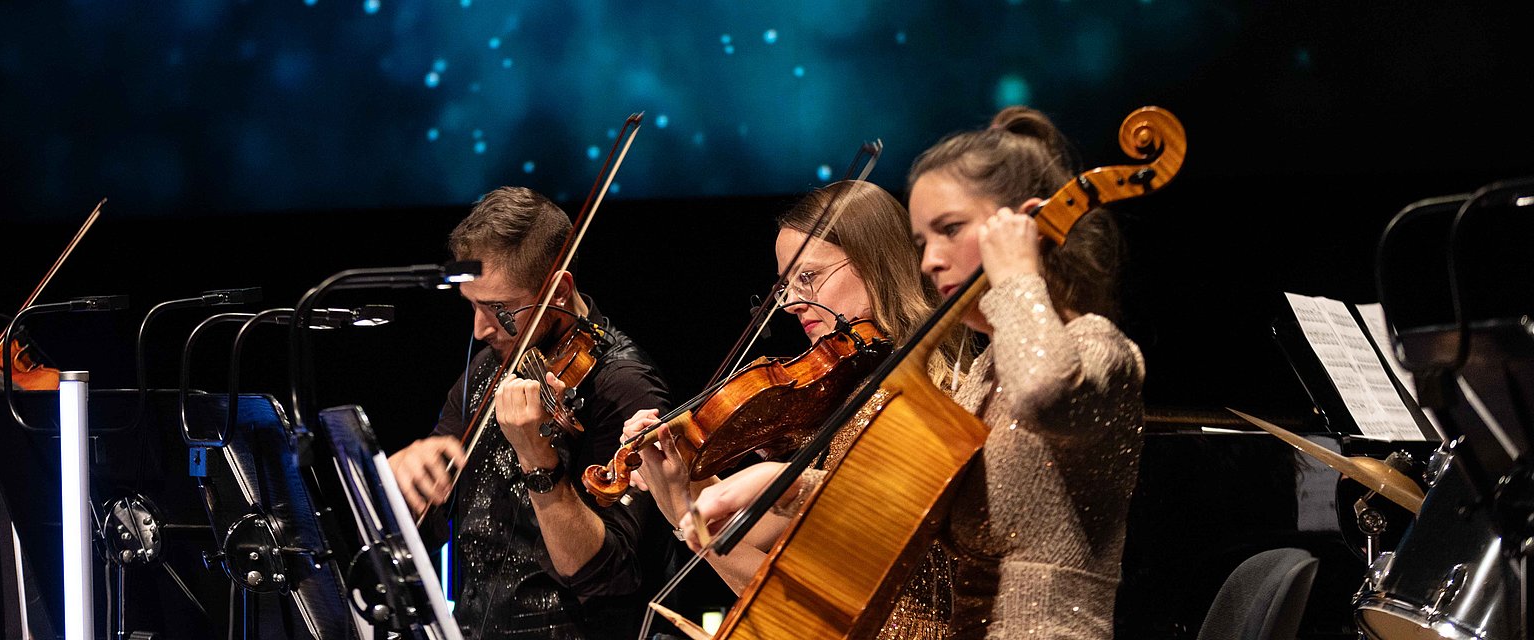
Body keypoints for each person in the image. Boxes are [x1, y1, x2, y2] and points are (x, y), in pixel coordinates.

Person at [691, 106, 1144, 638]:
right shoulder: (989, 371)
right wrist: (782, 485)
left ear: (1024, 227)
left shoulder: (1099, 348)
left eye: (950, 230)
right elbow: (913, 512)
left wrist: (1017, 278)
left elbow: (1045, 390)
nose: (929, 261)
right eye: (923, 241)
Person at [626, 180, 961, 638]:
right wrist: (681, 490)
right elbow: (758, 555)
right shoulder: (848, 396)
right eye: (784, 285)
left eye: (808, 277)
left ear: (874, 262)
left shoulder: (929, 396)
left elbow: (820, 603)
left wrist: (690, 504)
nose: (788, 303)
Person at [386, 186, 674, 639]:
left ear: (559, 290)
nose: (480, 329)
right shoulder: (489, 367)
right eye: (472, 305)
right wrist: (406, 482)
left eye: (499, 309)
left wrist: (538, 460)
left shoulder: (624, 386)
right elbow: (431, 528)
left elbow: (606, 577)